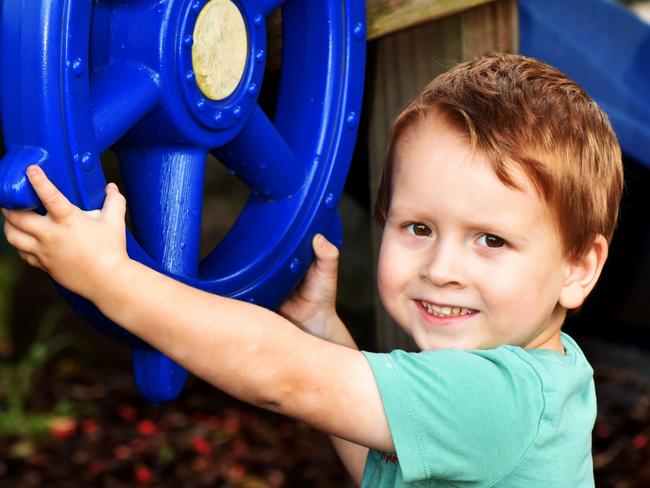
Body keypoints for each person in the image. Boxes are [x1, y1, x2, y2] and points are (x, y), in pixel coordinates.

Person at [2, 53, 623, 487]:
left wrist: (112, 279)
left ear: (579, 267)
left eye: (490, 239)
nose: (442, 268)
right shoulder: (541, 380)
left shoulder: (500, 399)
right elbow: (387, 469)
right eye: (418, 228)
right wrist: (325, 332)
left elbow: (286, 378)